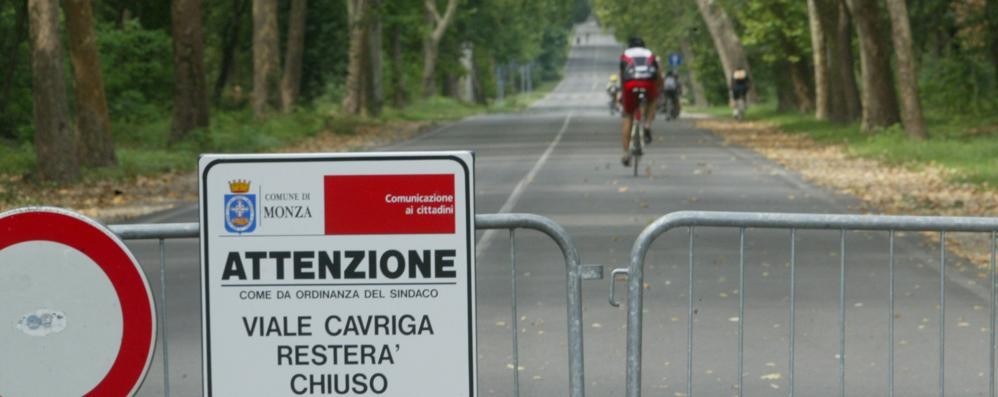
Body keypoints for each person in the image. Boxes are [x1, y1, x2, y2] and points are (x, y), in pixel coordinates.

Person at [618, 37, 663, 166]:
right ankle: (647, 124)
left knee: (628, 117)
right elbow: (658, 75)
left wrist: (623, 94)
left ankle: (626, 154)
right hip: (648, 83)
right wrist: (659, 87)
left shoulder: (625, 55)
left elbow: (622, 76)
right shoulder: (649, 54)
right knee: (652, 100)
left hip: (630, 84)